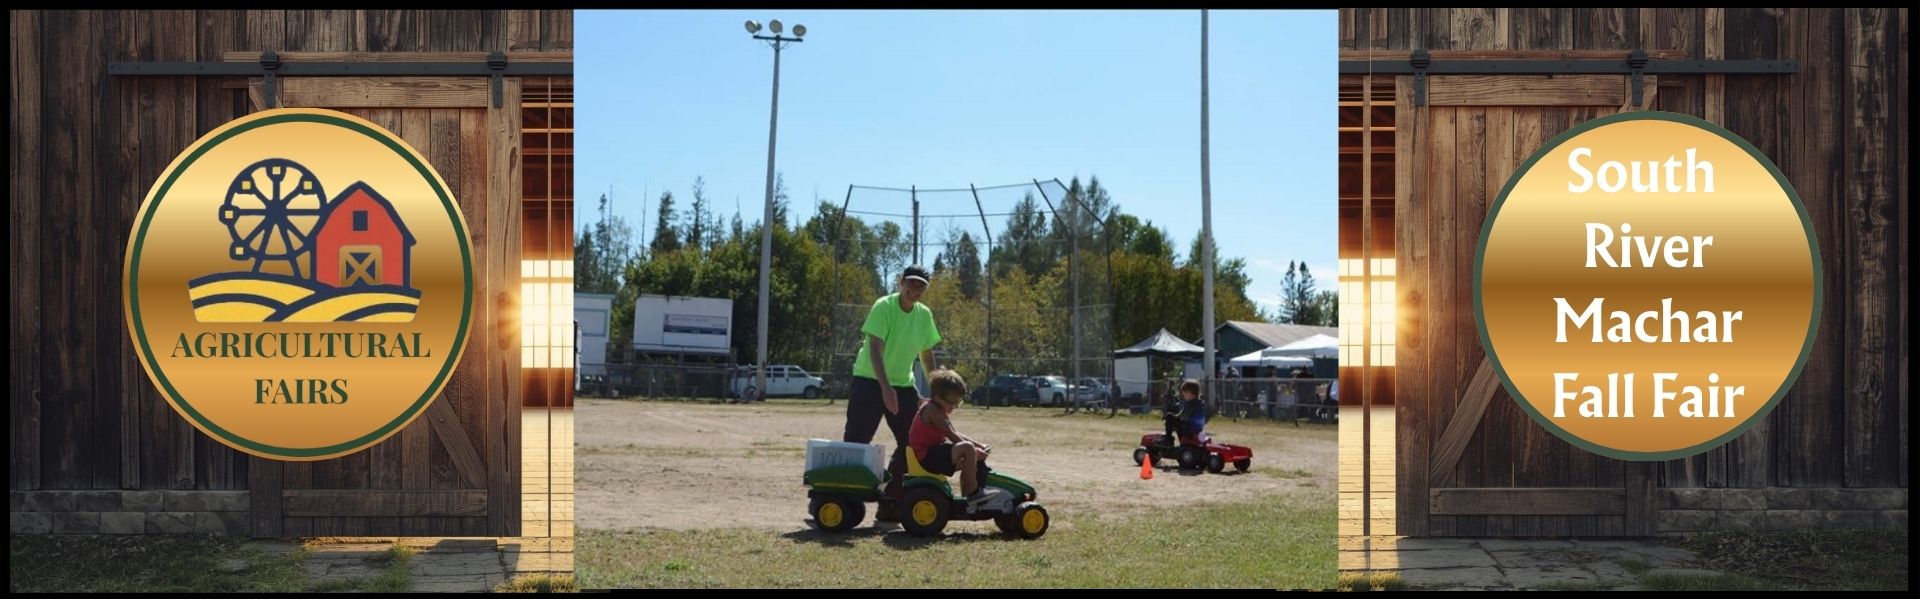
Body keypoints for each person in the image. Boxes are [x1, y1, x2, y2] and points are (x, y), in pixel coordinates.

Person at [843, 266, 941, 519]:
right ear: (901, 282)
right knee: (857, 440)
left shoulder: (924, 315)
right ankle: (844, 503)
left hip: (903, 384)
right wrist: (885, 389)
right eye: (912, 283)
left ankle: (890, 500)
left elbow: (927, 353)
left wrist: (937, 389)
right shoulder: (884, 306)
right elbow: (875, 349)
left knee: (912, 442)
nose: (915, 290)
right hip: (869, 381)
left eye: (921, 286)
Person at [909, 369, 1006, 511]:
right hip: (927, 456)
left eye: (958, 403)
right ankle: (974, 494)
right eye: (952, 403)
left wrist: (979, 445)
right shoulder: (931, 410)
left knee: (969, 456)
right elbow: (951, 435)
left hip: (934, 453)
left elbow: (954, 432)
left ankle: (969, 495)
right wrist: (972, 449)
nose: (954, 407)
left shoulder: (937, 409)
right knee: (967, 449)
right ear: (938, 398)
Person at [1159, 379, 1208, 447]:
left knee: (1169, 417)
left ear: (1192, 393)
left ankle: (1168, 440)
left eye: (1185, 391)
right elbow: (1181, 415)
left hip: (1189, 429)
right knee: (1175, 421)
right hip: (1196, 429)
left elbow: (1184, 417)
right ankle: (1183, 444)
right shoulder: (1198, 403)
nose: (1183, 393)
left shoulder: (1191, 404)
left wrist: (1170, 421)